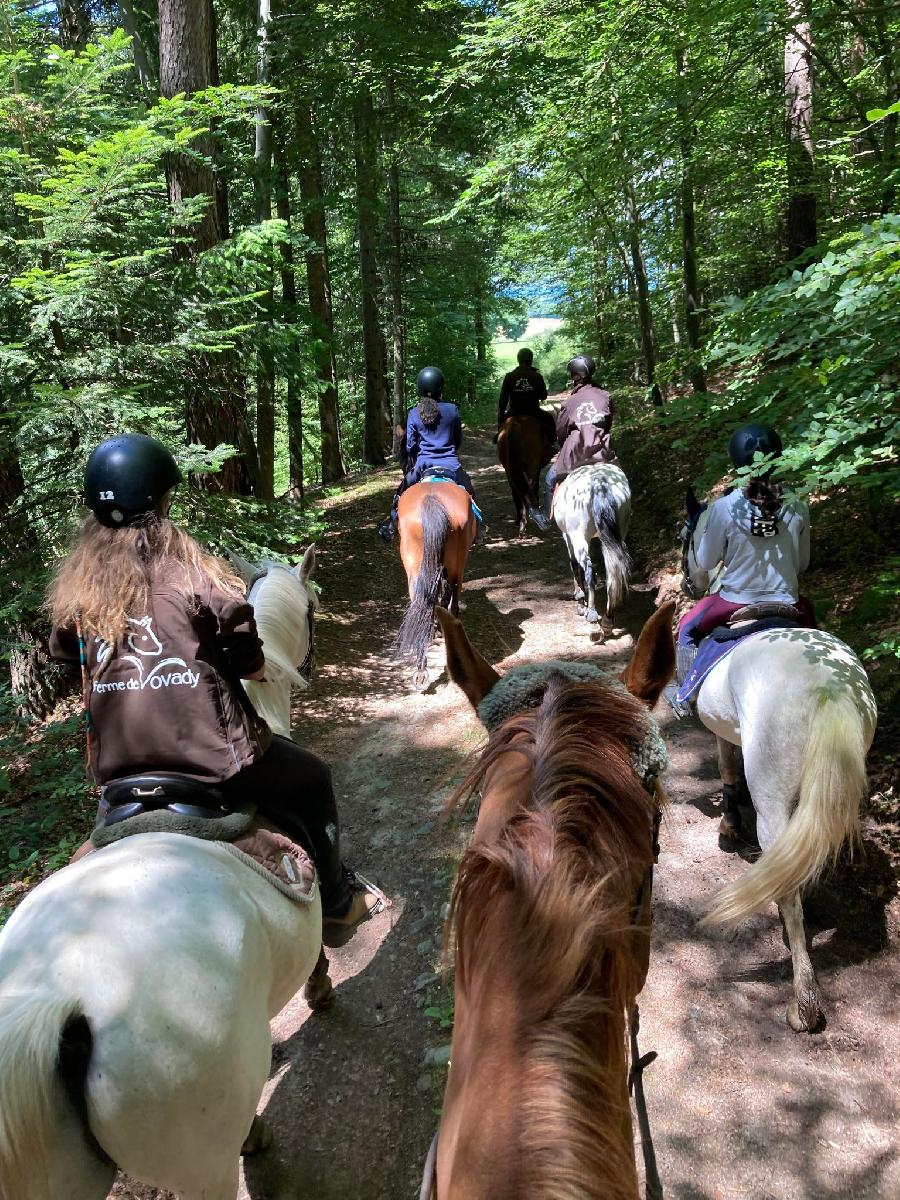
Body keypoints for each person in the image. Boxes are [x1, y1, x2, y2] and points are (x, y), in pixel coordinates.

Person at [48, 433, 382, 947]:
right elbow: (247, 652)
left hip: (120, 773)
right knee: (312, 778)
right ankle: (336, 903)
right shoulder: (193, 575)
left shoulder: (79, 595)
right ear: (162, 502)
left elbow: (68, 654)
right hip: (214, 761)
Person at [669, 422, 814, 713]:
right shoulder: (797, 505)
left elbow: (707, 563)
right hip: (788, 600)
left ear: (735, 463)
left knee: (686, 628)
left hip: (735, 600)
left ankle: (684, 696)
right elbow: (802, 564)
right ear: (778, 458)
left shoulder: (724, 507)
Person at [377, 366, 482, 542]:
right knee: (470, 492)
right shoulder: (452, 410)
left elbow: (410, 448)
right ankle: (478, 527)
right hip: (451, 465)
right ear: (441, 387)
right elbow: (457, 442)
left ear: (420, 388)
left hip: (422, 467)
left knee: (399, 495)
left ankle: (391, 525)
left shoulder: (414, 413)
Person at [531, 353, 615, 529]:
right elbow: (608, 425)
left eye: (572, 374)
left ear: (577, 376)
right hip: (602, 451)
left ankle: (546, 518)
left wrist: (563, 445)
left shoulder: (570, 402)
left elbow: (561, 432)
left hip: (575, 454)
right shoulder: (605, 395)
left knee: (550, 479)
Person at [495, 347, 555, 446]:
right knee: (549, 419)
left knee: (502, 427)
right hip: (534, 412)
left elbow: (503, 399)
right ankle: (552, 443)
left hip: (514, 412)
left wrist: (501, 417)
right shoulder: (537, 376)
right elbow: (544, 396)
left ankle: (498, 440)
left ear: (518, 360)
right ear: (531, 360)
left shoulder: (509, 376)